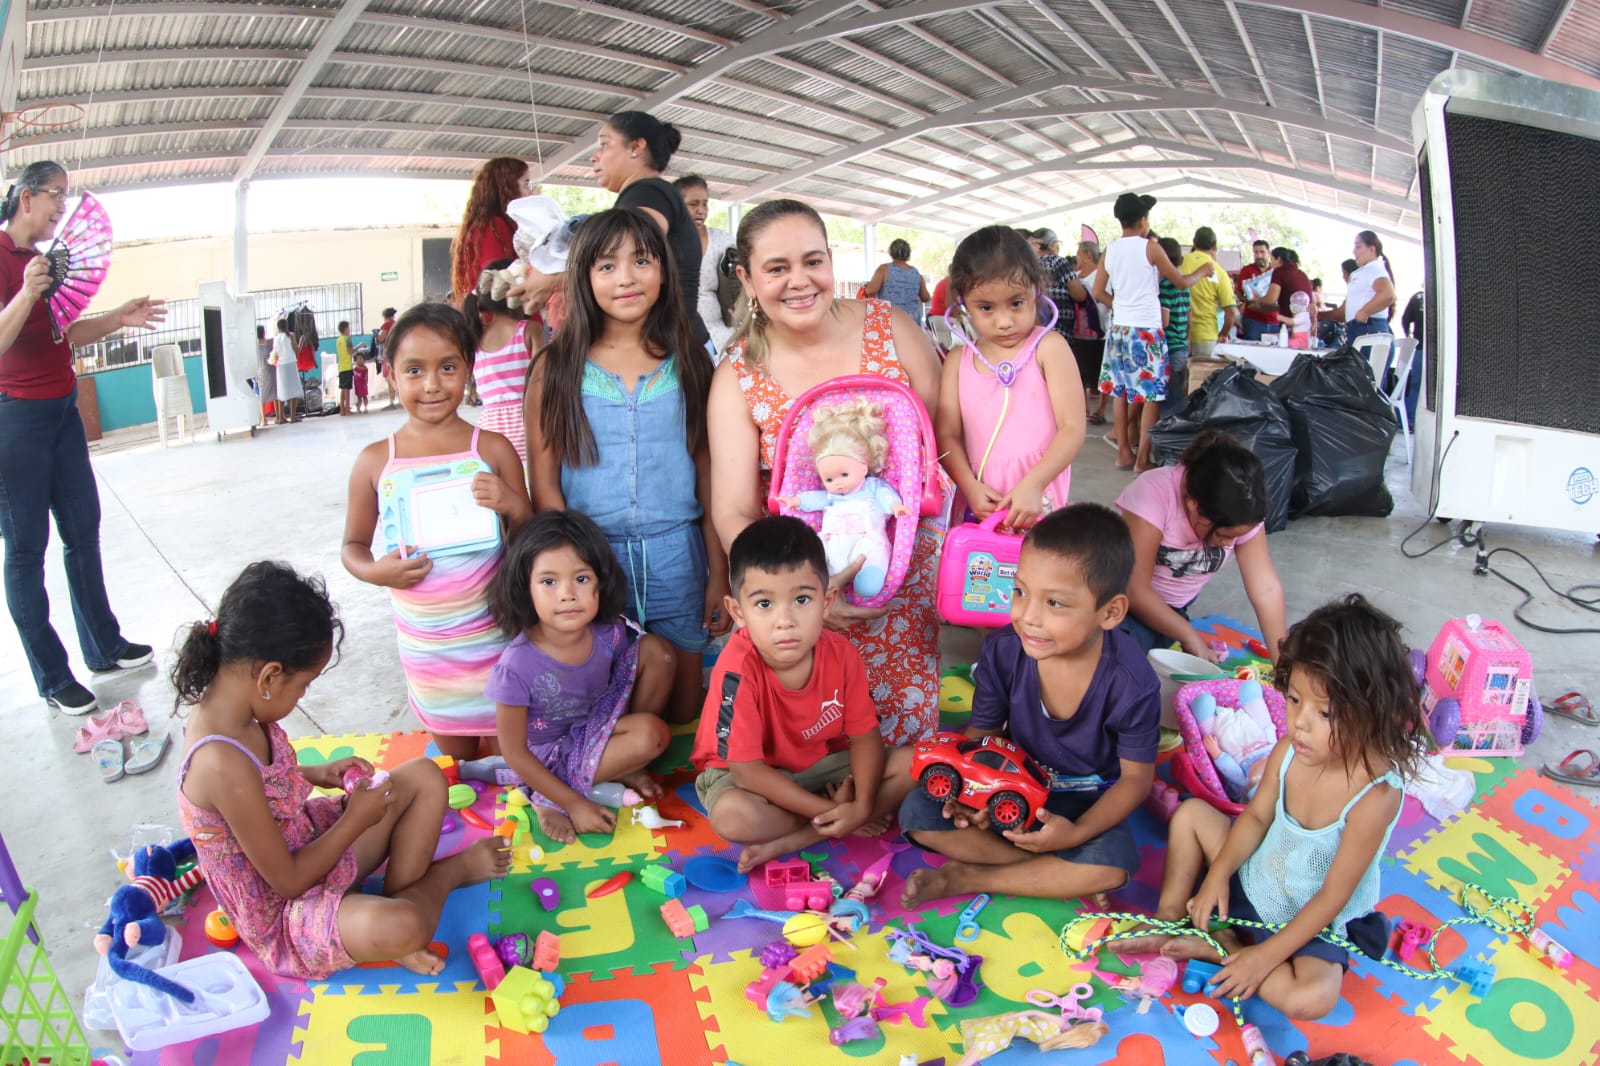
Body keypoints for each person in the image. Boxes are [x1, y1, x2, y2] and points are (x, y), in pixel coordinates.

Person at [172, 561, 511, 979]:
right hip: (287, 911)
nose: (302, 695)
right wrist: (355, 820)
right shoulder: (219, 762)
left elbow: (264, 783)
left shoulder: (241, 707)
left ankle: (396, 911)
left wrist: (317, 772)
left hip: (306, 838)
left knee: (424, 775)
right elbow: (289, 881)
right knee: (404, 925)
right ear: (270, 676)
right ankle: (443, 880)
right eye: (304, 685)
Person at [1119, 594, 1426, 1021]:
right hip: (1254, 880)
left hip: (1312, 916)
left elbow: (1333, 896)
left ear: (1373, 712)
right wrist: (1219, 877)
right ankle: (1173, 917)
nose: (1299, 722)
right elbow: (1258, 818)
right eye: (1295, 699)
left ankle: (1224, 945)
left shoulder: (1376, 795)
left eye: (1325, 713)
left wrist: (1262, 960)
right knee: (1189, 815)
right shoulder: (1289, 750)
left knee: (1312, 998)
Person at [707, 199, 945, 748]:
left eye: (813, 261)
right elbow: (734, 509)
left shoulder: (893, 328)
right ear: (745, 277)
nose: (799, 282)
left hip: (903, 584)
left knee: (901, 756)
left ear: (832, 260)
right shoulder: (738, 374)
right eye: (776, 268)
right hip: (801, 605)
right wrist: (799, 594)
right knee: (810, 755)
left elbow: (939, 453)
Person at [898, 504, 1159, 908]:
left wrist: (1074, 833)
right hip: (1009, 789)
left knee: (1115, 865)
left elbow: (1135, 781)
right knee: (919, 813)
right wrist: (971, 796)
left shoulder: (1132, 683)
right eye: (1020, 591)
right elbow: (981, 735)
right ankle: (1055, 874)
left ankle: (969, 877)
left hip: (1083, 804)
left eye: (1054, 603)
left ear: (1110, 612)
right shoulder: (1003, 649)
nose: (1027, 617)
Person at [526, 209, 727, 723]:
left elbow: (708, 474)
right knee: (599, 703)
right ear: (583, 277)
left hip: (676, 557)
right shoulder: (556, 367)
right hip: (593, 559)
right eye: (607, 266)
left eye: (641, 260)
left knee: (682, 713)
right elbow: (544, 484)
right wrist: (570, 570)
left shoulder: (691, 360)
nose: (627, 278)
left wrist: (717, 572)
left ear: (663, 270)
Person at [0, 160, 164, 716]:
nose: (60, 209)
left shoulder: (43, 262)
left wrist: (117, 318)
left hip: (63, 411)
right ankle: (52, 676)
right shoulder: (8, 261)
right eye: (55, 197)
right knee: (26, 552)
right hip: (14, 420)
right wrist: (25, 292)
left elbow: (64, 332)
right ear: (26, 197)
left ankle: (104, 646)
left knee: (83, 532)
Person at [341, 303, 532, 758]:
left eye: (447, 367)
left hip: (497, 640)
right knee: (458, 768)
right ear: (390, 374)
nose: (431, 385)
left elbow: (532, 538)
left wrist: (510, 503)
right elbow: (352, 546)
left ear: (468, 369)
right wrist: (374, 572)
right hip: (429, 655)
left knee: (515, 764)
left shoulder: (491, 448)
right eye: (414, 370)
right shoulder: (375, 461)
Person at [691, 516, 916, 872]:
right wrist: (834, 810)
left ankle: (798, 838)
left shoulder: (842, 653)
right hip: (749, 777)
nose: (785, 621)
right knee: (733, 818)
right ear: (738, 612)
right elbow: (748, 772)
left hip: (818, 766)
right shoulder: (736, 671)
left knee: (916, 763)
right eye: (764, 604)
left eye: (801, 599)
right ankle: (831, 824)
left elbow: (865, 736)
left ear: (826, 602)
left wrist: (861, 804)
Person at [486, 511, 674, 844]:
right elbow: (514, 753)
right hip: (550, 757)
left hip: (595, 727)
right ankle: (545, 799)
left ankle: (617, 765)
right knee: (650, 738)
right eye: (549, 581)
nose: (567, 594)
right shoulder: (515, 666)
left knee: (657, 652)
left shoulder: (609, 632)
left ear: (601, 582)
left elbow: (623, 683)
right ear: (525, 589)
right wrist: (573, 805)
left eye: (582, 579)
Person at [518, 113, 708, 353]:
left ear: (636, 147)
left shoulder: (649, 192)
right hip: (670, 344)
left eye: (604, 144)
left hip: (673, 349)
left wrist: (555, 278)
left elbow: (630, 244)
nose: (594, 156)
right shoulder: (645, 194)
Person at [935, 225, 1085, 530]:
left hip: (1038, 501)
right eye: (986, 308)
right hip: (982, 505)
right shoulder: (956, 362)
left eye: (1016, 303)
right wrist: (969, 487)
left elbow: (1072, 427)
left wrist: (1034, 484)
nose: (1004, 322)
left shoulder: (1049, 348)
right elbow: (947, 435)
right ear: (963, 304)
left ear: (1036, 290)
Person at [1116, 431, 1287, 663]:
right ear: (1193, 504)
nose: (1229, 544)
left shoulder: (1244, 512)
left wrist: (1284, 666)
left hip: (1173, 609)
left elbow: (1266, 590)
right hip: (1121, 602)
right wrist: (1188, 634)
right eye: (1224, 536)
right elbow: (1134, 590)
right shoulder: (1154, 494)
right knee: (1116, 659)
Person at [1091, 193, 1211, 473]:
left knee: (1120, 391)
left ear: (1120, 220)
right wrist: (1204, 271)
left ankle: (1123, 453)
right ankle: (1142, 459)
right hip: (1146, 331)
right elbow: (1181, 282)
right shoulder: (1151, 248)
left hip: (1119, 331)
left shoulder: (1110, 250)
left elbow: (1098, 292)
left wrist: (1120, 306)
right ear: (1143, 220)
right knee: (1152, 396)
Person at [462, 259, 533, 468]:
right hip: (527, 422)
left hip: (490, 429)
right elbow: (544, 376)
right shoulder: (527, 330)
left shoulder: (476, 339)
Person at [450, 157, 531, 304]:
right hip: (503, 317)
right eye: (526, 183)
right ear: (507, 186)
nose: (530, 192)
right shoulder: (494, 226)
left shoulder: (483, 225)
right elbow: (498, 280)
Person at [674, 174, 735, 357]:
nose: (701, 210)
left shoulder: (722, 240)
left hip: (720, 334)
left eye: (705, 204)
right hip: (679, 336)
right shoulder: (663, 242)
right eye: (693, 204)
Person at [1323, 231, 1396, 348]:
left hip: (1368, 333)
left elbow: (1388, 294)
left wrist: (1365, 311)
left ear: (1372, 249)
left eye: (1358, 246)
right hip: (1363, 333)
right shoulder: (1365, 271)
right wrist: (1317, 316)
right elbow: (1343, 314)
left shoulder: (1373, 268)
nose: (1354, 251)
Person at [1180, 227, 1237, 365]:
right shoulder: (1219, 271)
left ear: (1194, 242)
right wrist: (1223, 334)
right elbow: (1231, 313)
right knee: (1201, 380)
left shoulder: (1179, 263)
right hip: (1206, 335)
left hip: (1178, 334)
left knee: (1178, 381)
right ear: (1214, 246)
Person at [1068, 240, 1107, 426]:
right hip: (1078, 331)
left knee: (1101, 373)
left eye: (1079, 253)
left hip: (1100, 331)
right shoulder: (1074, 276)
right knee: (1080, 372)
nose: (1077, 257)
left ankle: (1100, 409)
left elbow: (1106, 298)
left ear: (1087, 255)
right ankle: (1084, 409)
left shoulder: (1102, 276)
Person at [1248, 248, 1313, 339]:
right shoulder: (1302, 274)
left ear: (1278, 259)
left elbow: (1270, 299)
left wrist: (1257, 301)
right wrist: (1263, 308)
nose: (1271, 264)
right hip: (1306, 327)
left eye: (1272, 260)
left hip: (1291, 324)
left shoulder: (1279, 271)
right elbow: (1286, 303)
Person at [1157, 237, 1193, 401]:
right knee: (1178, 394)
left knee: (1168, 398)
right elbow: (1189, 316)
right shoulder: (1184, 285)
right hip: (1181, 346)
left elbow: (1165, 320)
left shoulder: (1165, 285)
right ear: (1181, 260)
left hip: (1169, 347)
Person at [863, 239, 930, 323]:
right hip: (912, 321)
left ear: (891, 252)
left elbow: (870, 291)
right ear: (908, 254)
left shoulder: (884, 269)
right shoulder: (916, 273)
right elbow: (926, 298)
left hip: (890, 318)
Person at [1236, 240, 1277, 341]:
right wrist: (1248, 300)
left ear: (1269, 253)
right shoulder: (1247, 270)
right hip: (1253, 321)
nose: (1259, 255)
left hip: (1275, 321)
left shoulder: (1276, 270)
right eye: (1256, 252)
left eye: (1262, 252)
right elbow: (1238, 292)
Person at [271, 318, 303, 423]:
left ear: (278, 327)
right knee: (293, 391)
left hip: (280, 366)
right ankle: (293, 417)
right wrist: (302, 341)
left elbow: (275, 355)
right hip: (291, 365)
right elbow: (297, 351)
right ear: (287, 326)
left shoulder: (275, 338)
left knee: (282, 391)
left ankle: (280, 417)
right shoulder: (291, 336)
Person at [254, 323, 278, 426]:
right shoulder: (270, 342)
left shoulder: (254, 346)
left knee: (262, 396)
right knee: (275, 394)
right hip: (271, 369)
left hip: (260, 372)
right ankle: (278, 416)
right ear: (264, 332)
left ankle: (264, 420)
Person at [375, 307, 398, 410]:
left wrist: (376, 335)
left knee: (389, 377)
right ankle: (399, 399)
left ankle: (392, 401)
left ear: (385, 316)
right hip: (398, 351)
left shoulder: (386, 325)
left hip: (388, 352)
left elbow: (381, 338)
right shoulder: (397, 323)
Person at [335, 320, 354, 416]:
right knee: (347, 389)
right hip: (347, 366)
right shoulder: (348, 339)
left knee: (343, 388)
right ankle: (347, 409)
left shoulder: (338, 340)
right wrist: (360, 346)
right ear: (346, 329)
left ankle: (342, 409)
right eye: (349, 328)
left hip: (341, 366)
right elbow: (351, 351)